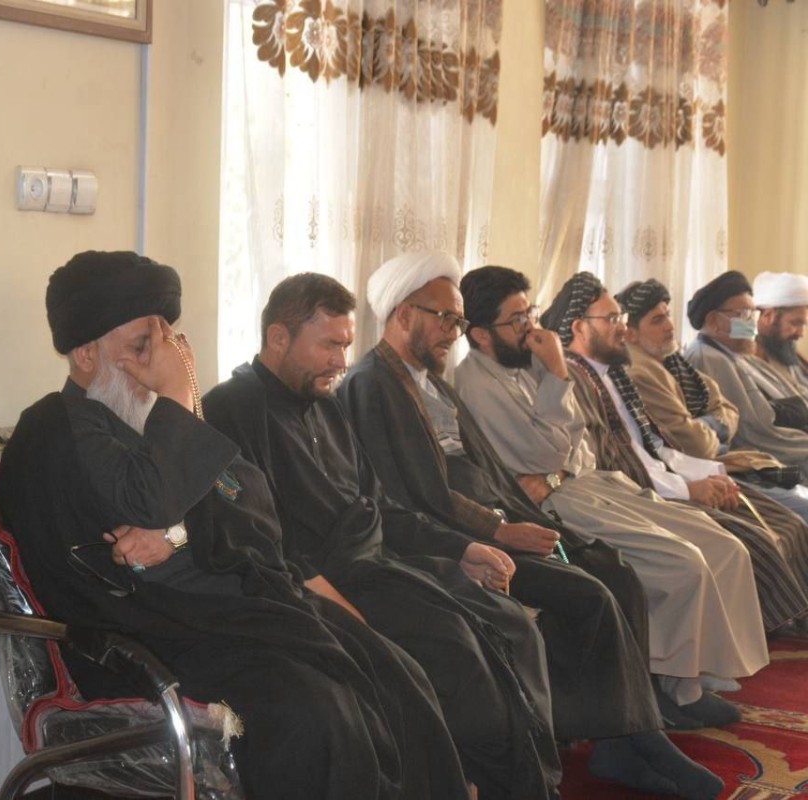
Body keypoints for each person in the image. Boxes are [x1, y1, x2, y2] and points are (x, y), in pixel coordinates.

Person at [0, 250, 470, 800]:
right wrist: (177, 399)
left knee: (394, 670)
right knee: (317, 711)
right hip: (150, 637)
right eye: (142, 347)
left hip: (225, 613)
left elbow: (249, 502)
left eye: (167, 344)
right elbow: (151, 504)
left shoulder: (146, 421)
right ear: (85, 353)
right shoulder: (53, 429)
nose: (158, 364)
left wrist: (178, 528)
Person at [337, 252, 726, 798]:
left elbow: (491, 471)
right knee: (588, 594)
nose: (454, 332)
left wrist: (523, 517)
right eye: (446, 318)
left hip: (495, 518)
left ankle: (625, 737)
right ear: (403, 314)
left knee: (611, 567)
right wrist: (498, 531)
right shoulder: (373, 385)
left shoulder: (429, 381)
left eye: (457, 320)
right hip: (451, 543)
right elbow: (413, 496)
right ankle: (630, 736)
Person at [205, 274, 565, 800]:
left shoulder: (326, 405)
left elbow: (381, 506)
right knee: (457, 648)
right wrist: (335, 604)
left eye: (346, 346)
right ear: (278, 337)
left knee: (509, 626)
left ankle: (522, 784)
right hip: (325, 588)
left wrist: (462, 549)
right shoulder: (230, 410)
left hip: (382, 565)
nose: (341, 362)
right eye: (329, 345)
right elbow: (257, 539)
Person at [454, 266, 768, 734]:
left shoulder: (525, 362)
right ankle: (673, 689)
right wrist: (557, 376)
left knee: (722, 544)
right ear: (480, 334)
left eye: (530, 313)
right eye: (516, 320)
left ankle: (699, 670)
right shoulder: (477, 383)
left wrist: (556, 462)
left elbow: (577, 447)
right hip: (555, 504)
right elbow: (548, 452)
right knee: (681, 561)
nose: (531, 328)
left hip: (586, 483)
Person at [546, 273, 808, 634]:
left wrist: (708, 473)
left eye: (622, 317)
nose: (622, 328)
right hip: (638, 494)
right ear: (579, 327)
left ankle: (772, 628)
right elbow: (627, 461)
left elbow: (658, 446)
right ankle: (759, 636)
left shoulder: (618, 372)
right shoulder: (583, 378)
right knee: (745, 541)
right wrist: (692, 486)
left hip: (678, 475)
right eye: (614, 319)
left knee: (785, 520)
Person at [618, 279, 808, 591]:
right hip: (710, 470)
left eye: (668, 316)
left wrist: (709, 423)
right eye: (657, 319)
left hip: (729, 462)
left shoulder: (676, 361)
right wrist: (716, 425)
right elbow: (720, 436)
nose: (670, 326)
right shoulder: (678, 363)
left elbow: (729, 409)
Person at [683, 271, 808, 472]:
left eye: (753, 314)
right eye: (744, 315)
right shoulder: (709, 359)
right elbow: (752, 435)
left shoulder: (739, 355)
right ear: (714, 320)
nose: (752, 323)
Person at [752, 271, 808, 395]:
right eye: (795, 323)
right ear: (768, 316)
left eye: (803, 325)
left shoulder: (788, 353)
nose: (801, 333)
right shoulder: (752, 360)